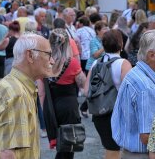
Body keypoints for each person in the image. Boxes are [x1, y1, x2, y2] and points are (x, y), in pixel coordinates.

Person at [0, 33, 55, 159]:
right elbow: (7, 154)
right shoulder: (17, 94)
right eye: (48, 54)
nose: (52, 61)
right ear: (30, 55)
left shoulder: (11, 86)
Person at [84, 30, 132, 159]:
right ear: (121, 44)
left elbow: (86, 90)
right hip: (116, 113)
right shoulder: (123, 63)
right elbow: (129, 91)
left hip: (99, 113)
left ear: (103, 45)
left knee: (110, 148)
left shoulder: (96, 63)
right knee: (114, 149)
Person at [40, 29, 86, 159]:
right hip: (69, 107)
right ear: (67, 44)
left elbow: (41, 93)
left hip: (51, 106)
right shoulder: (72, 62)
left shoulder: (44, 62)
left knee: (61, 146)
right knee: (69, 145)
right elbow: (83, 85)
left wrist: (46, 112)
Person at [111, 30, 155, 158]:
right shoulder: (146, 87)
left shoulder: (136, 73)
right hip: (142, 154)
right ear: (152, 55)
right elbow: (147, 136)